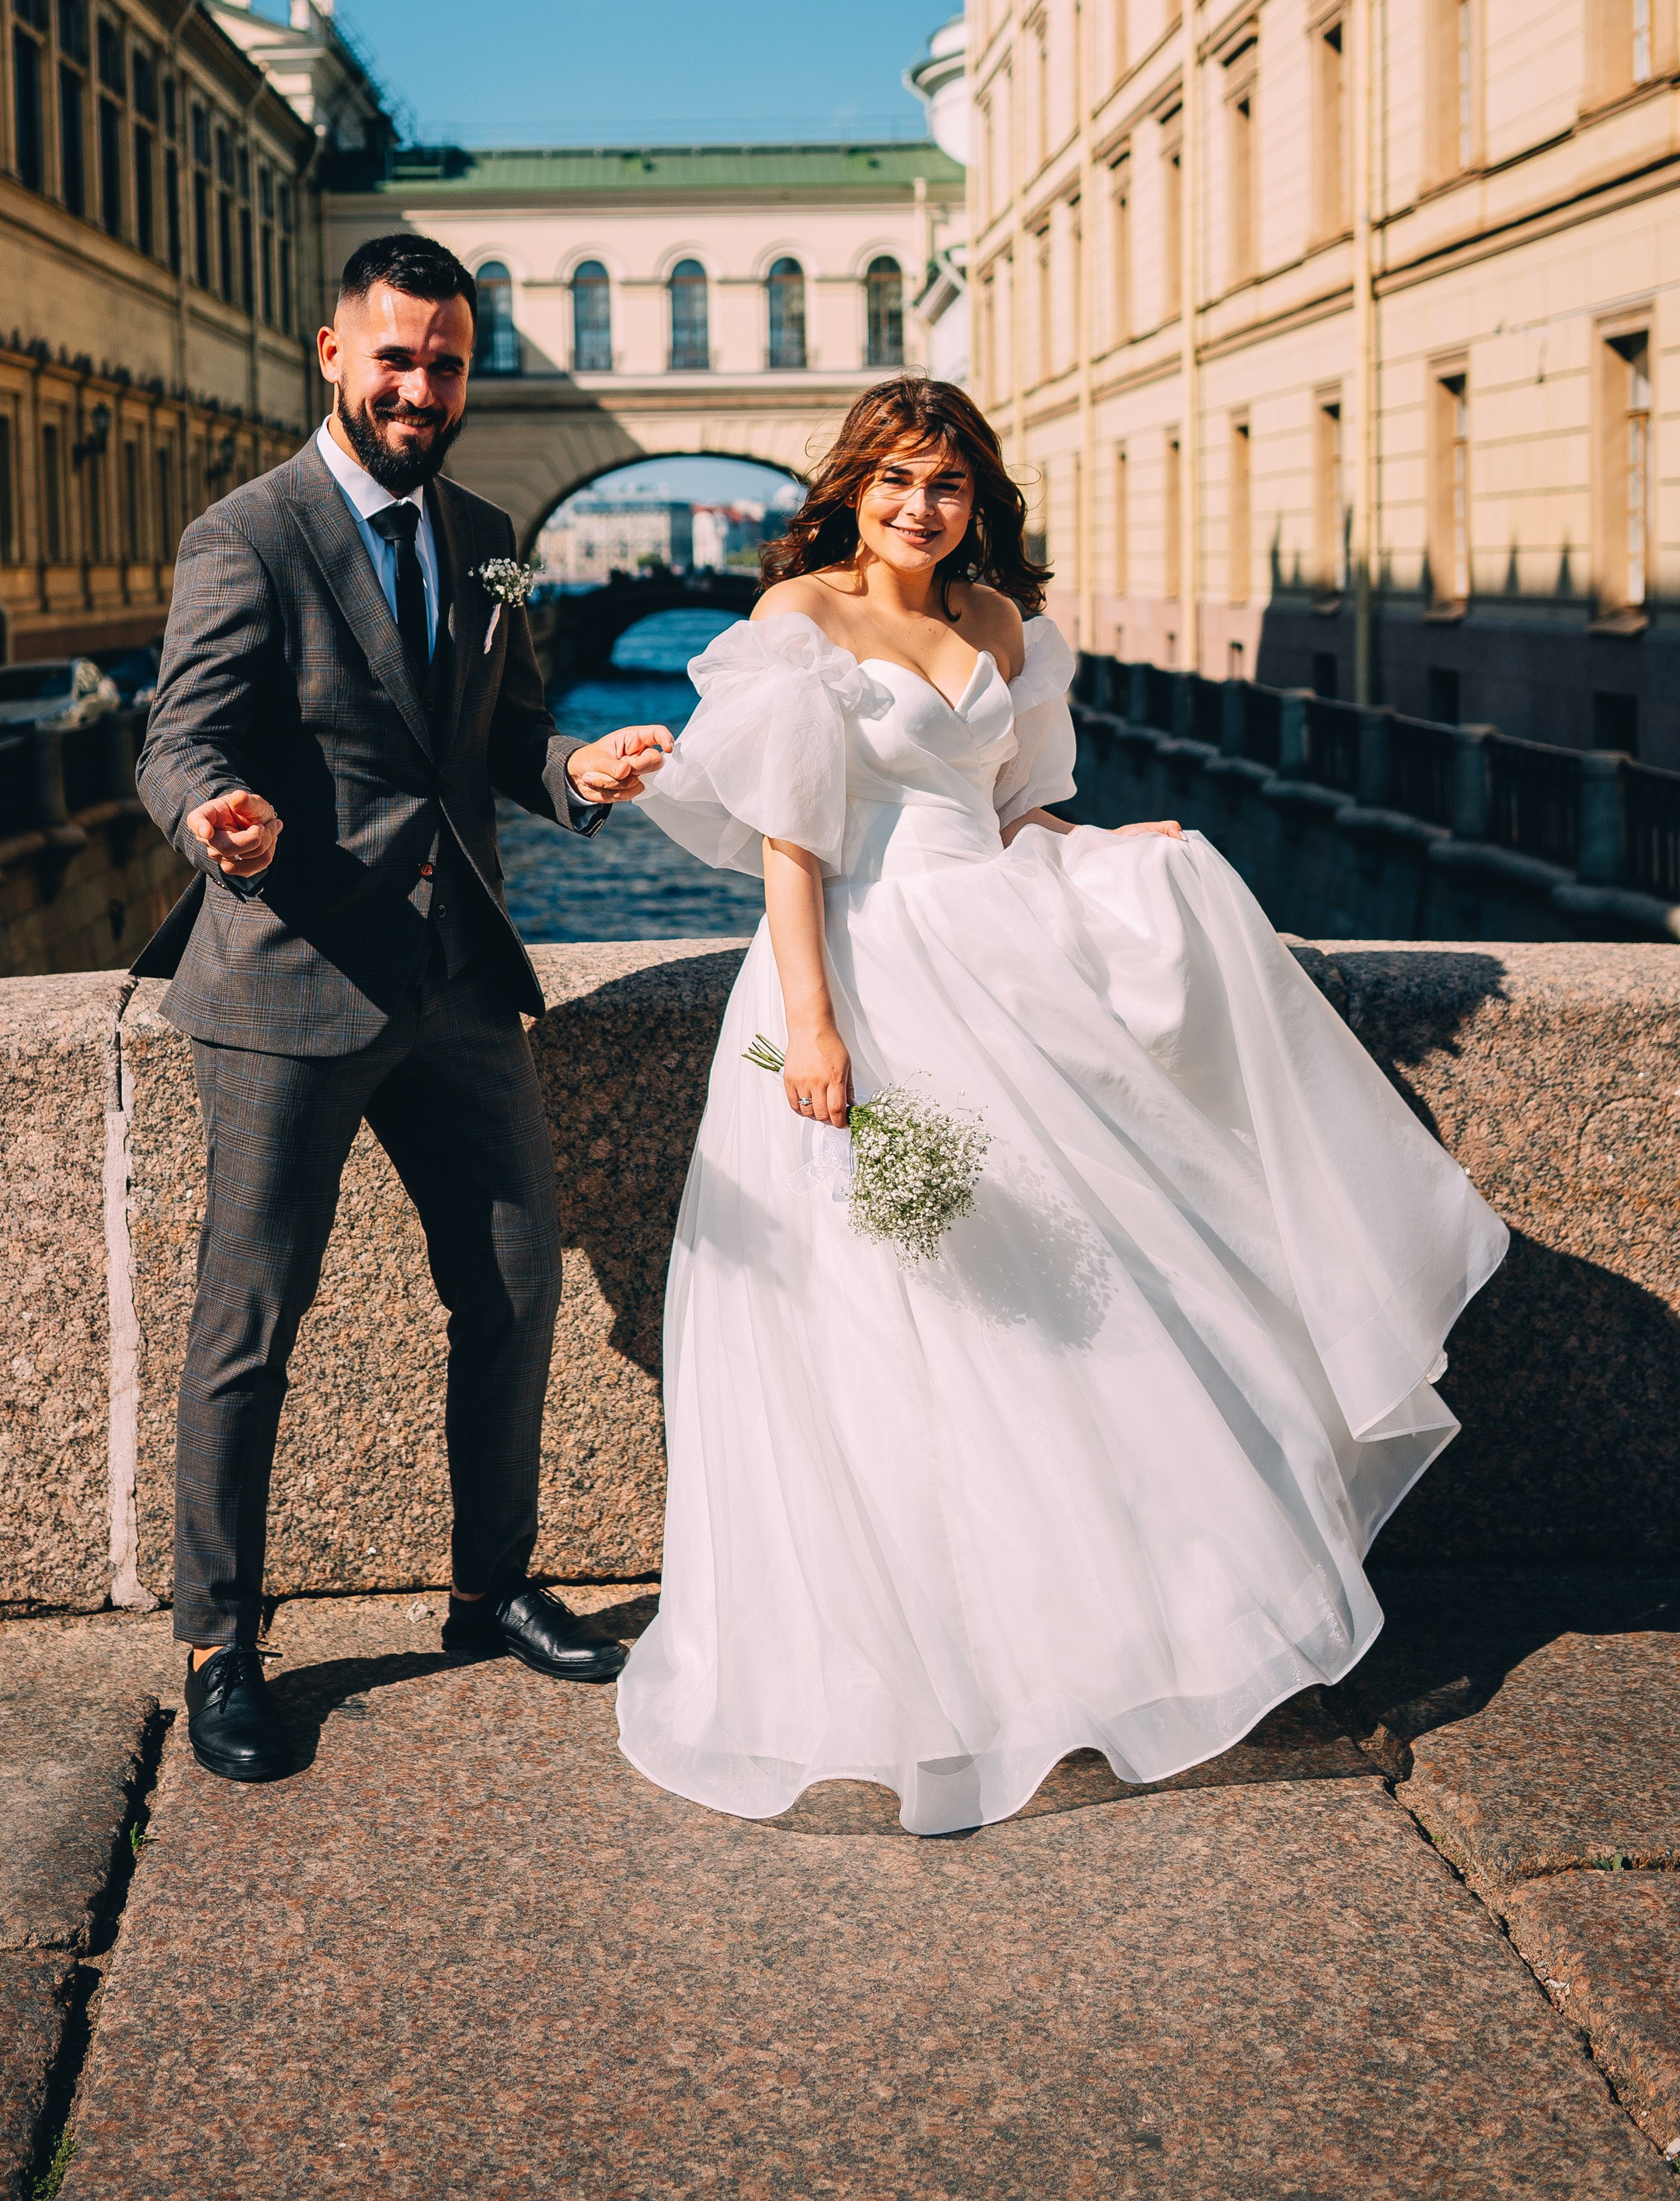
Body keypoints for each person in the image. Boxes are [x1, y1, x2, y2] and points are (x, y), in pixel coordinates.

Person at [615, 376, 1507, 1837]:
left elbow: (1013, 803)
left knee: (1074, 1285)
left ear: (982, 500)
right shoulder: (800, 625)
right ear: (853, 487)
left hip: (1002, 957)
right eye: (898, 480)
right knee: (888, 1308)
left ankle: (1098, 1637)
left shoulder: (1002, 629)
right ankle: (919, 1674)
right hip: (865, 970)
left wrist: (1100, 845)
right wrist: (816, 1031)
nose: (922, 507)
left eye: (949, 486)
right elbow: (793, 847)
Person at [136, 232, 672, 1784]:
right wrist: (214, 818)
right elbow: (181, 739)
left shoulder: (494, 535)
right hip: (290, 979)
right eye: (394, 360)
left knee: (511, 1288)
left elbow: (499, 733)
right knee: (250, 1324)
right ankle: (219, 1643)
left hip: (452, 988)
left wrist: (571, 773)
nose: (419, 388)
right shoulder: (246, 534)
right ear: (332, 356)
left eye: (443, 363)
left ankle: (488, 1587)